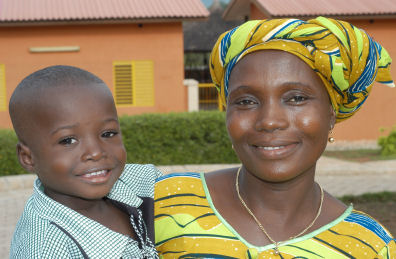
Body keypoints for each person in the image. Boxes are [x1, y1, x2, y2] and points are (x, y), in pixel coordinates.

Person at [154, 17, 396, 258]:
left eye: (297, 98)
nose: (270, 121)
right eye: (246, 101)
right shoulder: (164, 203)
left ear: (330, 114)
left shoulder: (370, 247)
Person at [9, 65, 160, 258]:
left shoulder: (142, 181)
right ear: (28, 157)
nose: (96, 153)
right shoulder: (44, 249)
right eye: (68, 140)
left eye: (108, 133)